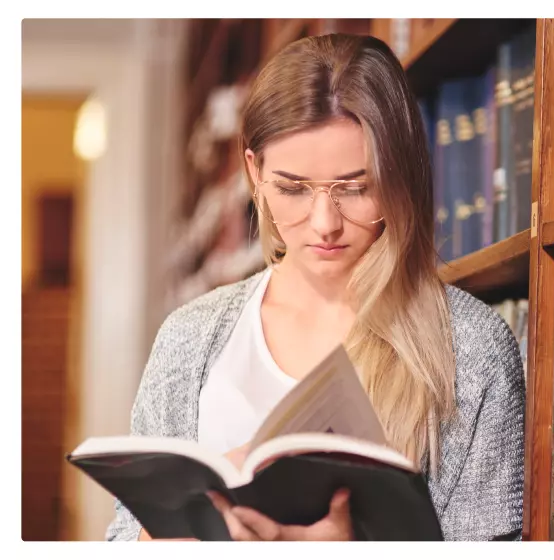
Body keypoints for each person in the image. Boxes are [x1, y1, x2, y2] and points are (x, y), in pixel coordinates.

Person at [106, 32, 525, 542]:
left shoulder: (474, 352)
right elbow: (125, 533)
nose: (325, 223)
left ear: (400, 178)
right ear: (252, 172)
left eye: (355, 187)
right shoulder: (188, 341)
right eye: (293, 188)